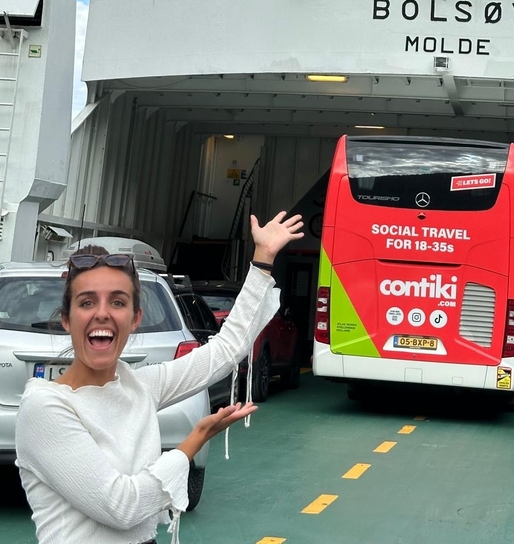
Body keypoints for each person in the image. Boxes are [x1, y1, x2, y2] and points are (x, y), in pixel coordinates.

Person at [15, 212, 303, 544]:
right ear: (67, 319)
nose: (103, 312)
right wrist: (192, 443)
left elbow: (224, 350)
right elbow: (121, 507)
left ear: (135, 318)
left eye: (118, 301)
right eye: (87, 301)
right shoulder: (45, 406)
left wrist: (263, 260)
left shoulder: (140, 387)